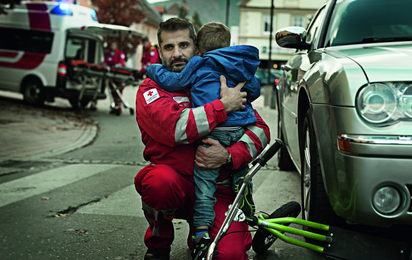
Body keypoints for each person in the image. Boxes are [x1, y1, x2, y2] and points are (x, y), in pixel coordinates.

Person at [134, 18, 270, 260]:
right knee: (157, 181)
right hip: (178, 187)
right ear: (159, 52)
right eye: (169, 47)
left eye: (184, 45)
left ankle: (209, 232)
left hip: (217, 189)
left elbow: (260, 129)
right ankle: (158, 245)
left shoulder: (218, 77)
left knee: (230, 256)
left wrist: (230, 155)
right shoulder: (151, 90)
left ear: (196, 48)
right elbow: (176, 128)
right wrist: (223, 106)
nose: (177, 54)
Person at [103, 41, 126, 114]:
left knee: (118, 90)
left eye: (113, 45)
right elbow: (105, 62)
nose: (112, 46)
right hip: (111, 75)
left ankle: (119, 106)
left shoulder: (120, 54)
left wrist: (115, 67)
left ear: (116, 46)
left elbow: (122, 64)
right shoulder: (108, 54)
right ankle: (115, 105)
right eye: (111, 45)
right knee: (112, 90)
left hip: (118, 75)